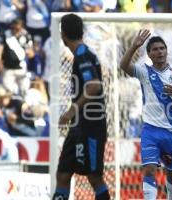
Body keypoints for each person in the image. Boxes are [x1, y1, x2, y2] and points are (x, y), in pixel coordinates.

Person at [120, 29, 172, 200]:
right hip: (150, 130)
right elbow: (124, 66)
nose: (159, 52)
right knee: (149, 169)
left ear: (166, 51)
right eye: (155, 49)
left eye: (161, 48)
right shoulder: (143, 71)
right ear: (149, 54)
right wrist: (135, 46)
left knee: (171, 172)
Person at [52, 13, 110, 200]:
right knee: (63, 174)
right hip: (79, 126)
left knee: (94, 177)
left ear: (62, 35)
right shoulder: (83, 53)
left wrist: (70, 112)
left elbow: (93, 85)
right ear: (82, 32)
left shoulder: (83, 54)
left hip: (90, 126)